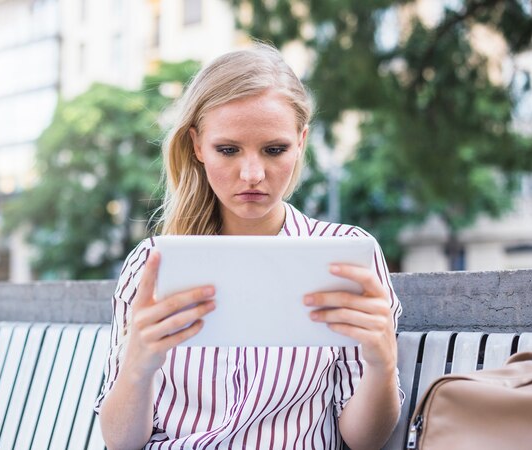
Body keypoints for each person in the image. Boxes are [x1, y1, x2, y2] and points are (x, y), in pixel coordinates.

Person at [95, 43, 403, 450]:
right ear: (197, 147)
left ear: (301, 142)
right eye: (228, 150)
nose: (253, 174)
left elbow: (364, 441)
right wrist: (138, 367)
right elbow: (120, 443)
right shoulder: (153, 264)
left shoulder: (345, 255)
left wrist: (381, 366)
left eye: (275, 150)